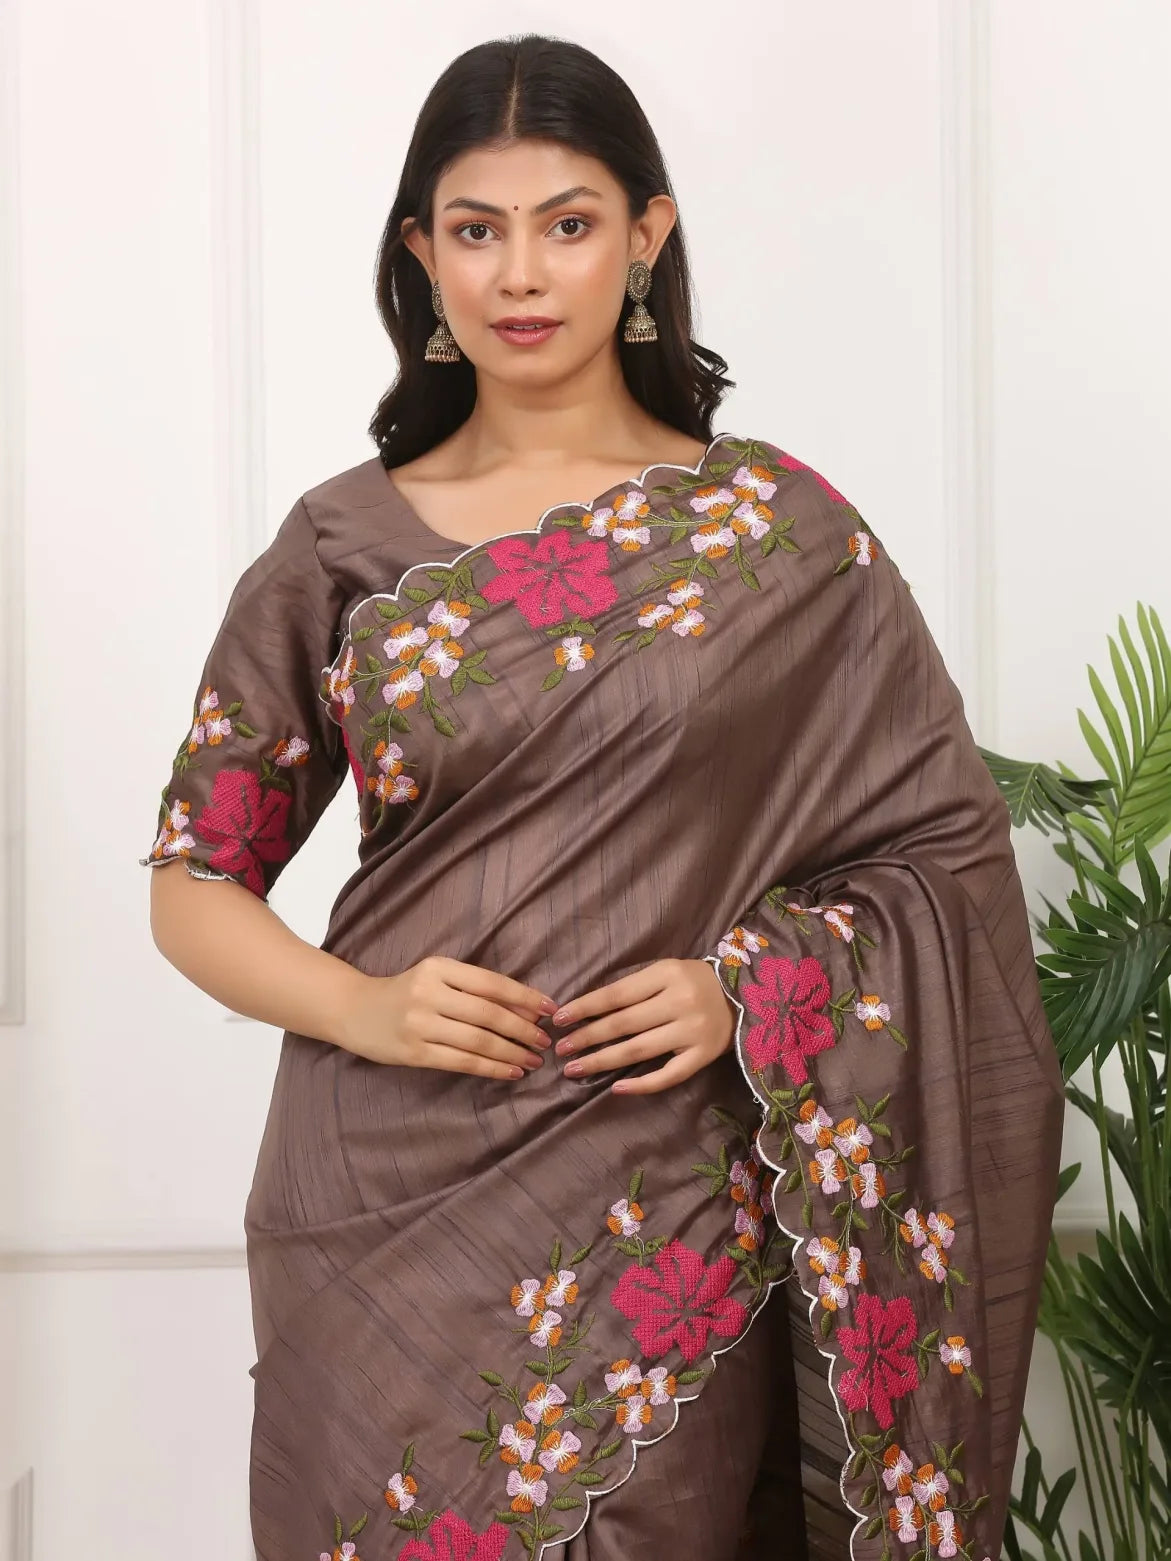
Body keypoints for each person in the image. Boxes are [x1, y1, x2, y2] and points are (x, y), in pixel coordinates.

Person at [143, 33, 1065, 1561]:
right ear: (419, 255)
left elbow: (945, 860)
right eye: (477, 227)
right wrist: (361, 1008)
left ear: (646, 235)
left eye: (568, 223)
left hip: (663, 1209)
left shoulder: (780, 537)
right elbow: (192, 877)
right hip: (375, 1210)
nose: (522, 273)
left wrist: (749, 993)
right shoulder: (340, 552)